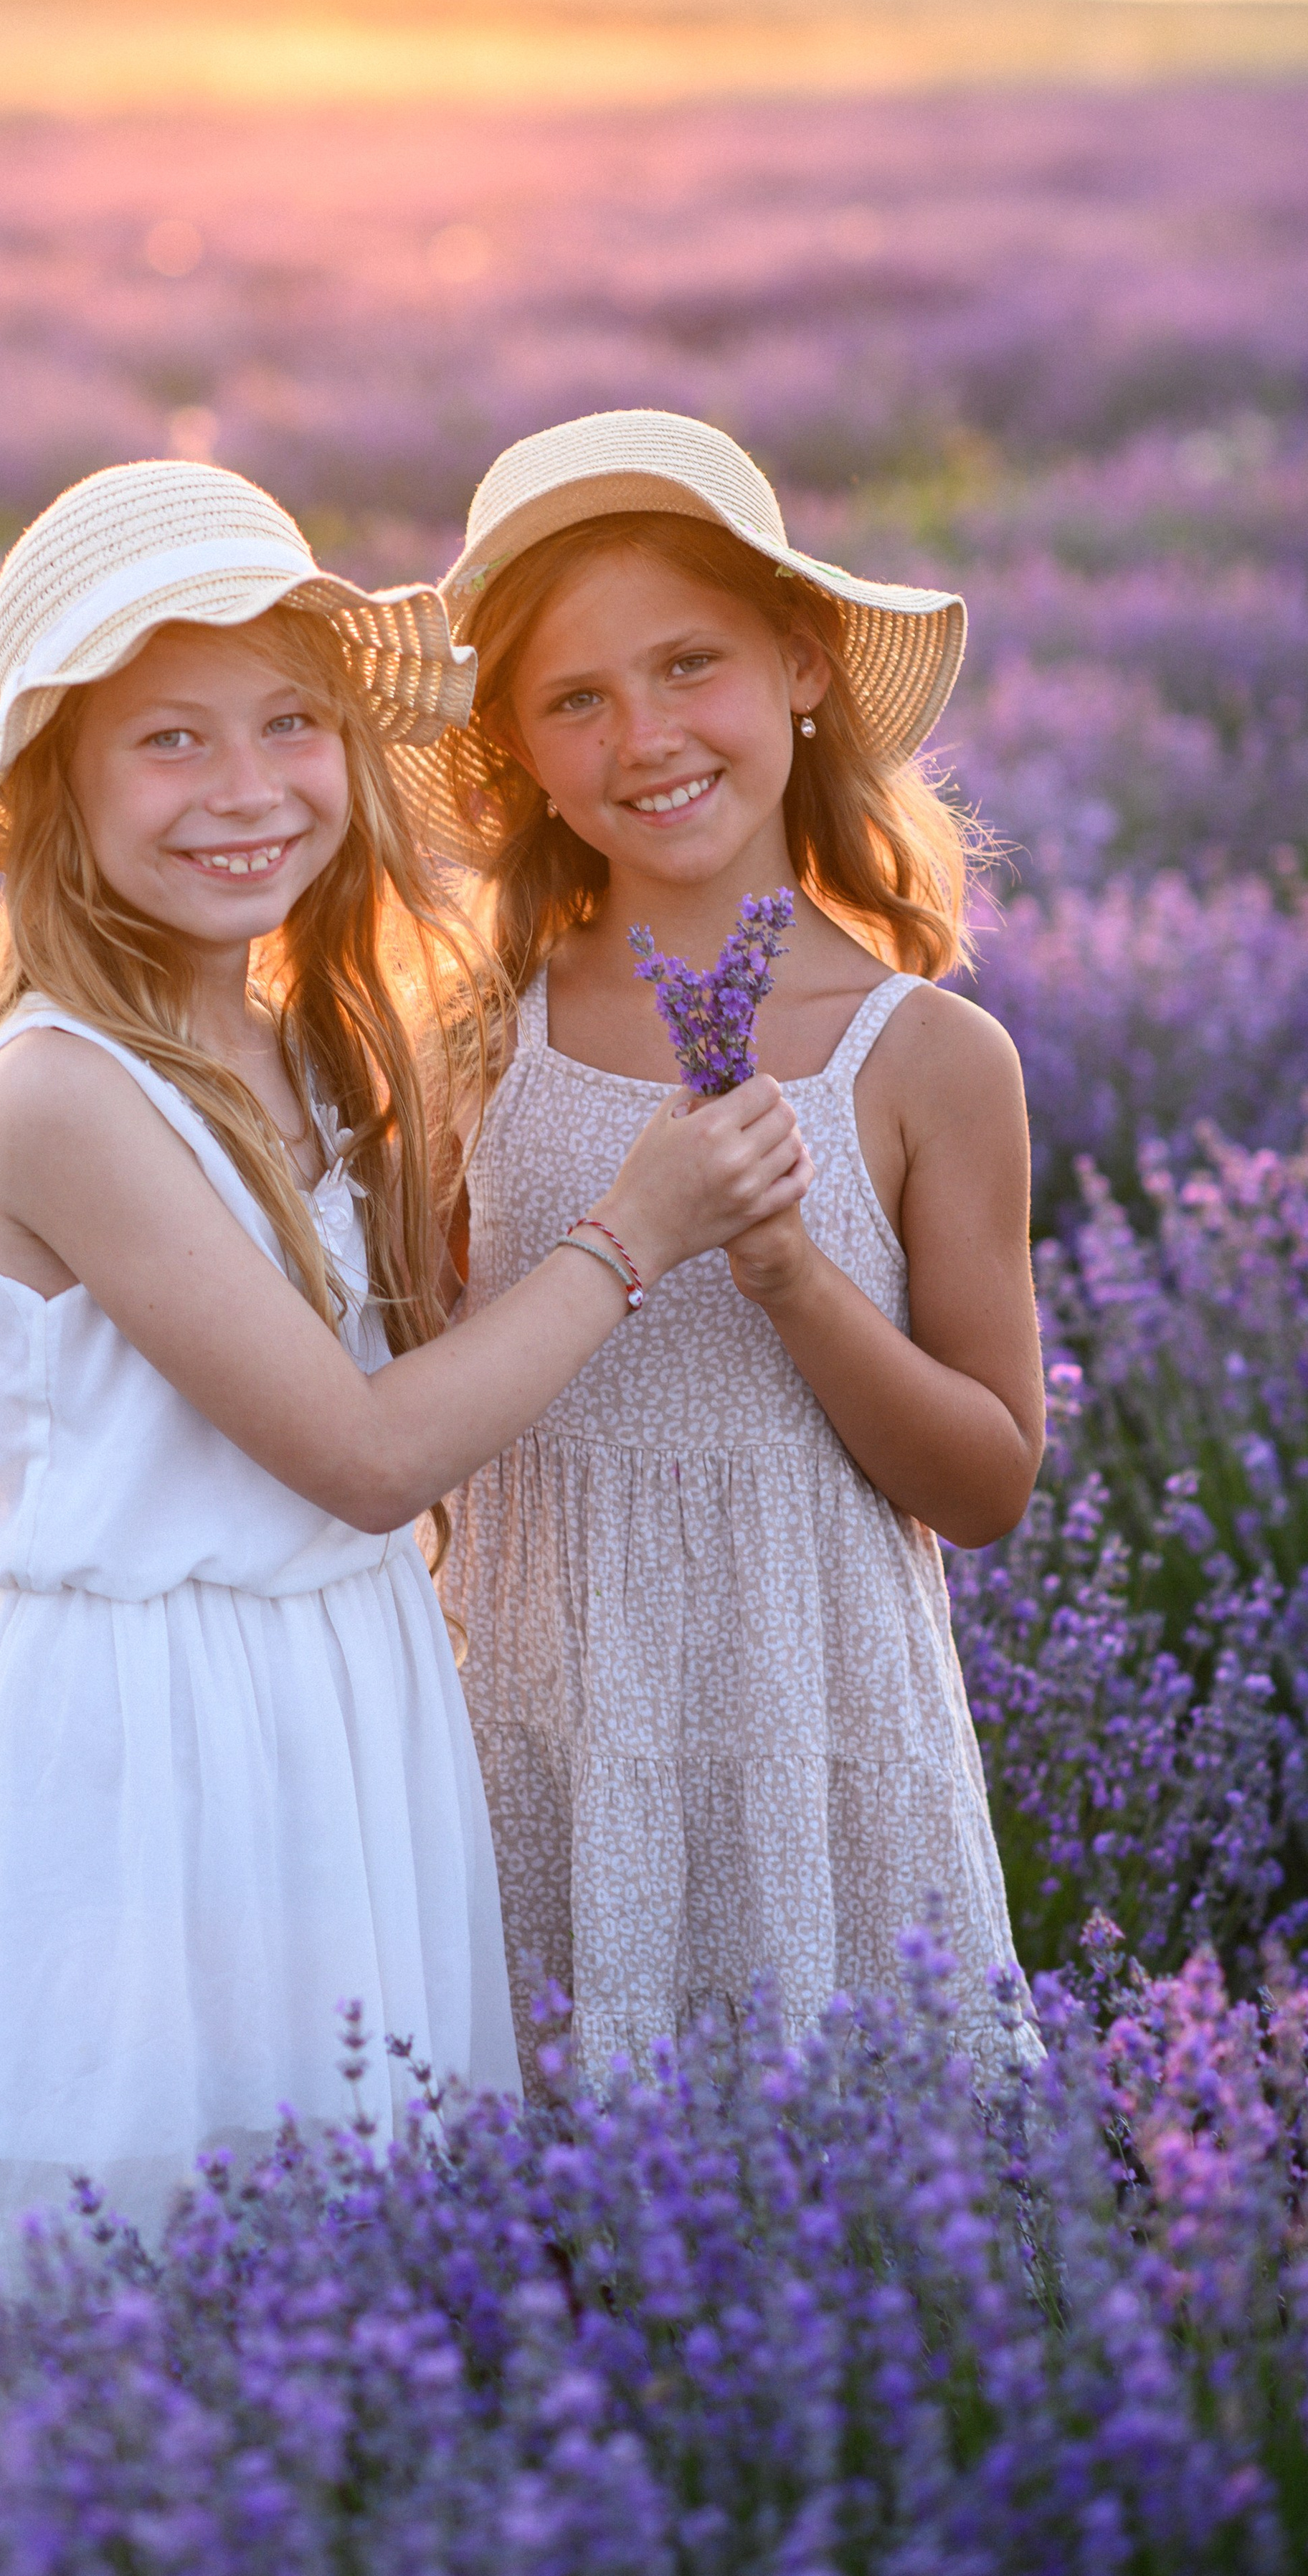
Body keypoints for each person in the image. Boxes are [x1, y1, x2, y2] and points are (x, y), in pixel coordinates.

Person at [0, 457, 811, 2315]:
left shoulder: (281, 1029)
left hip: (343, 1690)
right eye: (168, 741)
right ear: (57, 785)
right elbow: (369, 1455)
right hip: (163, 1737)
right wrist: (637, 1233)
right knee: (163, 2252)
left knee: (370, 2245)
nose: (246, 792)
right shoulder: (65, 1088)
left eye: (291, 725)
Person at [404, 410, 1041, 2091]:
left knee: (852, 2253)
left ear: (798, 665)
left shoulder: (923, 1058)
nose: (647, 736)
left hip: (815, 1743)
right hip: (535, 1725)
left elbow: (983, 1484)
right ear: (519, 755)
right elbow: (401, 1414)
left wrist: (789, 1273)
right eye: (575, 699)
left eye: (690, 664)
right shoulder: (471, 1037)